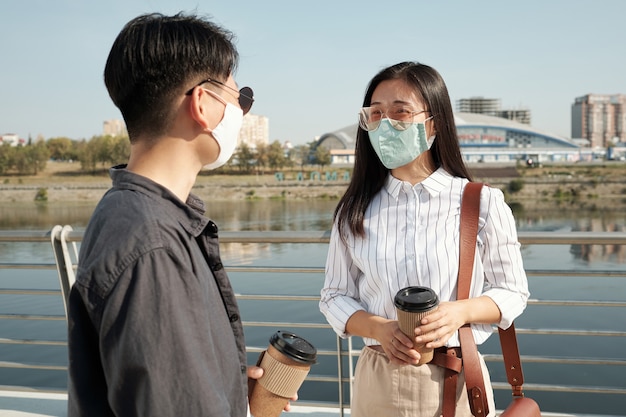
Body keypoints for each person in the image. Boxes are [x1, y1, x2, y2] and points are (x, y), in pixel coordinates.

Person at [67, 12, 279, 417]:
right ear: (202, 104)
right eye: (241, 99)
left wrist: (231, 392)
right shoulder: (153, 242)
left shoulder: (133, 215)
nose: (243, 114)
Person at [319, 61, 530, 417]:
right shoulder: (354, 209)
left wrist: (458, 312)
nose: (386, 124)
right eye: (375, 114)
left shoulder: (481, 202)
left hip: (458, 378)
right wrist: (380, 328)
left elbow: (512, 292)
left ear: (434, 123)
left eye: (401, 113)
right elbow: (334, 296)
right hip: (379, 378)